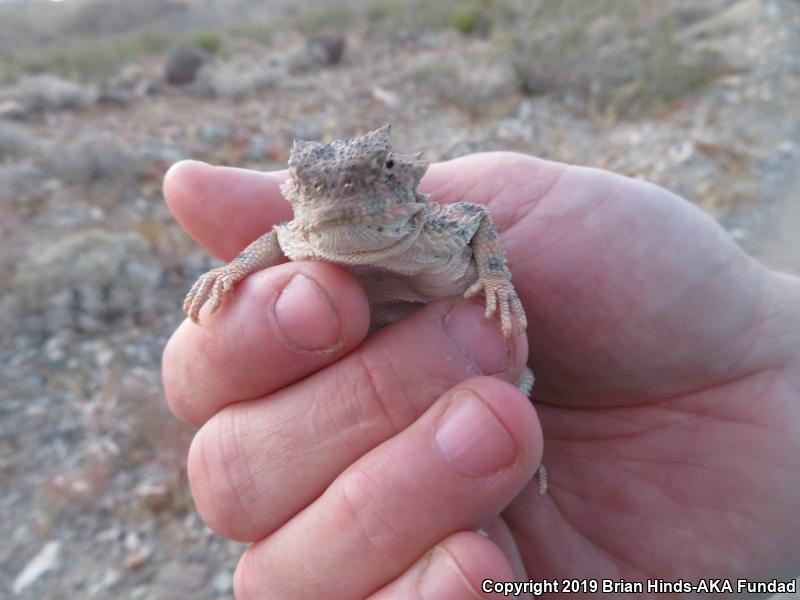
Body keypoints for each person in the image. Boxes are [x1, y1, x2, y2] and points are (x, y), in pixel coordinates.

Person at [162, 152, 800, 598]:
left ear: (399, 181)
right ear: (298, 190)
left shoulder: (434, 227)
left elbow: (477, 220)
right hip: (434, 392)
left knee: (505, 395)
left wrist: (494, 275)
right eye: (316, 187)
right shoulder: (305, 236)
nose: (338, 200)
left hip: (508, 384)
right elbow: (279, 238)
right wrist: (233, 272)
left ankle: (527, 453)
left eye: (367, 180)